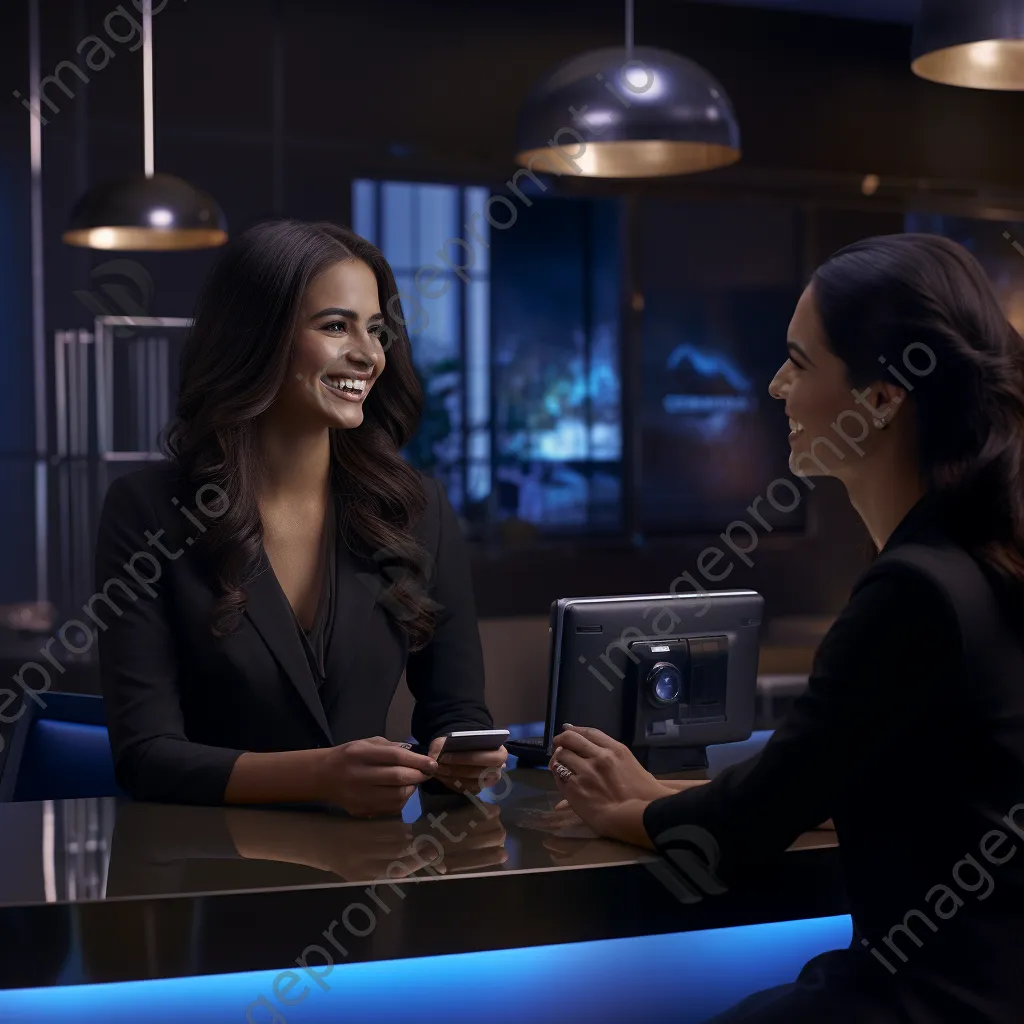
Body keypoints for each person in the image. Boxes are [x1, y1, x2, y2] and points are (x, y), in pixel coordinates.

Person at [547, 234, 1024, 1022]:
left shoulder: (915, 590)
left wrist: (627, 808)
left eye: (799, 363)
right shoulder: (979, 559)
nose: (774, 387)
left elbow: (752, 825)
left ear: (880, 398)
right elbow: (879, 777)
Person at [95, 220, 506, 816]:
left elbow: (458, 710)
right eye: (336, 326)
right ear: (256, 338)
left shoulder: (417, 509)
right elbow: (146, 756)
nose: (367, 355)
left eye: (377, 330)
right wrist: (319, 775)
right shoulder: (148, 511)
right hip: (209, 878)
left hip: (373, 877)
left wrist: (462, 756)